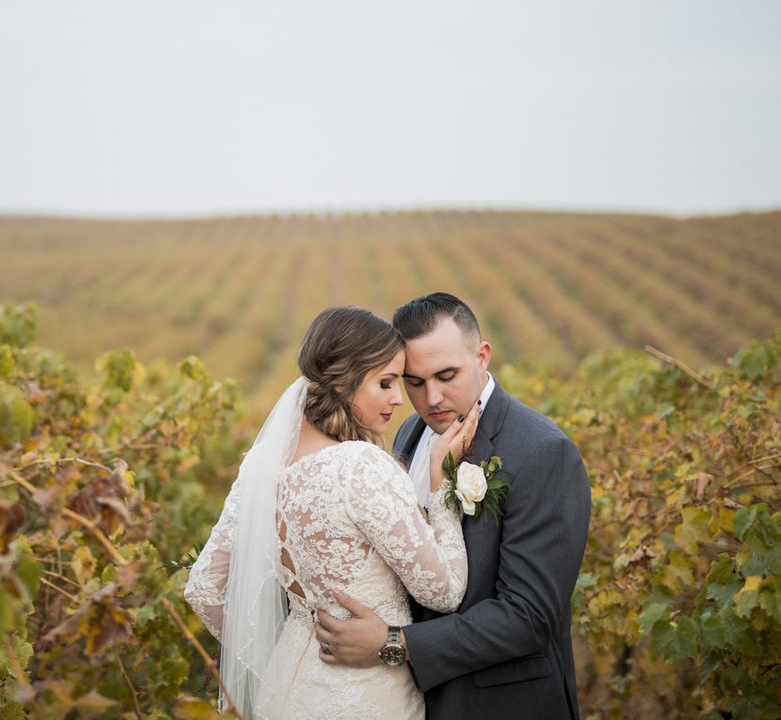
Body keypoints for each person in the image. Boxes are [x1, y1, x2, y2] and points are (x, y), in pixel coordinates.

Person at [184, 306, 480, 719]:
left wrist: (283, 649)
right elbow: (444, 593)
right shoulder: (359, 465)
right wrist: (441, 484)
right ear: (345, 381)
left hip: (285, 691)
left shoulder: (261, 465)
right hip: (367, 697)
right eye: (386, 382)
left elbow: (202, 588)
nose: (399, 398)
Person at [314, 293, 592, 719]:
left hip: (500, 705)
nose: (432, 398)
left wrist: (394, 643)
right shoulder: (408, 431)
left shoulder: (543, 452)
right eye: (414, 382)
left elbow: (530, 615)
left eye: (447, 375)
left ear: (482, 357)